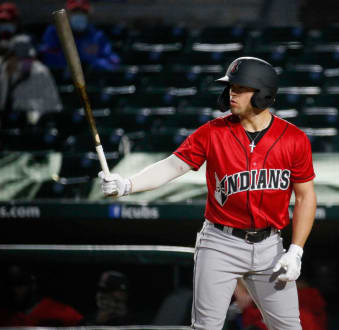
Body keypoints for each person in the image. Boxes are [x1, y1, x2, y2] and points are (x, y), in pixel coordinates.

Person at [99, 56, 317, 329]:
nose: (231, 93)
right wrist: (127, 185)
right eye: (231, 87)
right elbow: (173, 165)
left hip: (270, 246)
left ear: (263, 94)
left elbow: (306, 196)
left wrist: (295, 251)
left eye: (240, 88)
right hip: (220, 244)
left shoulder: (293, 139)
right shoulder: (212, 133)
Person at [0, 34, 63, 127]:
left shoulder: (40, 71)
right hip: (5, 120)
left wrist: (29, 106)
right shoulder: (4, 69)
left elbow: (54, 104)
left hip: (29, 122)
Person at [39, 0, 120, 71]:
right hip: (62, 81)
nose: (79, 15)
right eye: (75, 11)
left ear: (88, 15)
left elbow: (112, 60)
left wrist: (93, 64)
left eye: (83, 12)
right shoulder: (55, 32)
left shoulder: (97, 36)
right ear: (68, 14)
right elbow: (45, 57)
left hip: (92, 81)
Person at [0, 264, 84, 326]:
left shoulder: (60, 312)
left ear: (33, 284)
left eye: (19, 283)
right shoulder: (3, 316)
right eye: (9, 284)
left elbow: (82, 324)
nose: (14, 289)